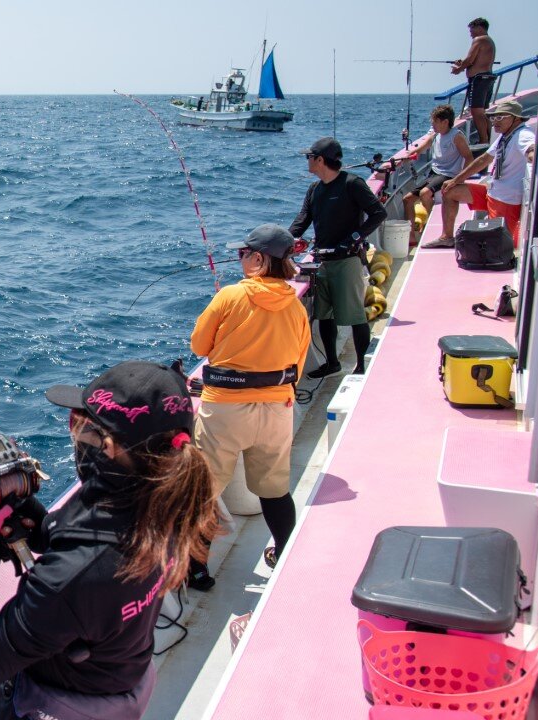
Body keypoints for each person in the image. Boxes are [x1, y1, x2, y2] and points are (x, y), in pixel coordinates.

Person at [0, 361, 218, 720]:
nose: (75, 435)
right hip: (117, 676)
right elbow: (68, 538)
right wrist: (11, 490)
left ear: (108, 447)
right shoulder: (168, 502)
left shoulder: (71, 578)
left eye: (79, 425)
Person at [190, 225, 310, 584]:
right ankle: (283, 555)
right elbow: (298, 365)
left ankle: (197, 571)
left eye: (243, 253)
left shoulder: (230, 295)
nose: (240, 258)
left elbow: (199, 346)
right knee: (274, 490)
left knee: (204, 492)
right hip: (276, 411)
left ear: (258, 259)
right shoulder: (296, 307)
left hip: (224, 411)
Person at [290, 137, 387, 379]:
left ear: (320, 160)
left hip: (347, 261)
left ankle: (362, 366)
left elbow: (378, 213)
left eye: (309, 157)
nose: (307, 161)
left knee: (355, 315)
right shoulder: (314, 189)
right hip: (321, 261)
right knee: (324, 316)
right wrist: (283, 241)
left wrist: (353, 238)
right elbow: (302, 220)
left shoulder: (352, 183)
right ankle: (332, 363)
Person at [430, 98, 537, 248]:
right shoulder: (505, 135)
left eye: (500, 117)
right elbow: (484, 159)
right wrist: (456, 180)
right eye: (493, 117)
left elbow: (532, 149)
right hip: (491, 192)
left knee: (497, 246)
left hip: (505, 200)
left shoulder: (523, 135)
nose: (494, 122)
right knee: (449, 191)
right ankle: (447, 237)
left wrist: (533, 155)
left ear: (516, 119)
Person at [403, 105, 473, 240]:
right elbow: (419, 150)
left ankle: (430, 224)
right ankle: (411, 237)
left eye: (435, 121)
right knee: (407, 199)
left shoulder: (457, 136)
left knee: (425, 193)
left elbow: (469, 158)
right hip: (434, 173)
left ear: (445, 122)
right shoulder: (435, 136)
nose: (432, 124)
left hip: (449, 175)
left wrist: (460, 179)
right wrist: (407, 157)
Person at [451, 18, 496, 144]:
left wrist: (459, 69)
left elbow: (470, 59)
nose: (470, 34)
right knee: (481, 111)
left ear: (479, 28)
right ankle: (489, 138)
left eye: (471, 30)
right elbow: (476, 60)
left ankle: (484, 140)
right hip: (486, 78)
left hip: (478, 80)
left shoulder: (479, 39)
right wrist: (462, 63)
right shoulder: (489, 41)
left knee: (476, 111)